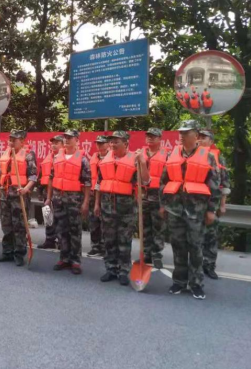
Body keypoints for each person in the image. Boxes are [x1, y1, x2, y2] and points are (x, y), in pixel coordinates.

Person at [159, 120, 221, 300]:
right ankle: (179, 281)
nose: (182, 136)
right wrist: (163, 204)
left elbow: (215, 185)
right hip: (175, 209)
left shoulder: (207, 156)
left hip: (197, 210)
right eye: (181, 132)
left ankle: (196, 283)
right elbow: (164, 182)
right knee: (178, 246)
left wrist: (211, 210)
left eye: (186, 132)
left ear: (196, 135)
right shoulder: (173, 154)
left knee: (195, 247)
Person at [94, 131, 149, 286]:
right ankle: (110, 269)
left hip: (126, 208)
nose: (112, 144)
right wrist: (97, 204)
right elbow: (98, 183)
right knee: (109, 239)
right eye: (111, 141)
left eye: (116, 141)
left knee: (124, 241)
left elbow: (146, 181)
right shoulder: (105, 159)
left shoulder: (135, 159)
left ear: (125, 143)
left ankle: (124, 270)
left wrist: (143, 163)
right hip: (106, 206)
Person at [45, 129, 91, 275]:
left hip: (74, 201)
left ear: (77, 140)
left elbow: (88, 183)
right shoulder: (57, 157)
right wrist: (48, 197)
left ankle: (75, 261)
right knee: (61, 230)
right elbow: (51, 179)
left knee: (75, 231)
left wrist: (85, 203)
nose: (67, 140)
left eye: (70, 138)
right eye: (65, 137)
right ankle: (64, 258)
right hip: (58, 199)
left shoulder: (83, 159)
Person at [0, 129, 38, 266]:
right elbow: (1, 175)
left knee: (19, 226)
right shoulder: (6, 153)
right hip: (5, 194)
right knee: (6, 225)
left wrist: (26, 189)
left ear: (22, 141)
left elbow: (33, 176)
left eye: (14, 140)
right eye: (10, 139)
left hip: (19, 195)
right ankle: (7, 252)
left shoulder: (28, 155)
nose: (11, 142)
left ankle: (19, 253)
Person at [199, 129, 230, 279]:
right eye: (199, 137)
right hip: (195, 204)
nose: (200, 140)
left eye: (204, 138)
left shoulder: (218, 158)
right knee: (195, 237)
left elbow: (224, 183)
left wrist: (222, 204)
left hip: (212, 203)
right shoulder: (193, 155)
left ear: (211, 141)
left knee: (211, 237)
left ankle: (209, 265)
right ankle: (196, 265)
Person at [141, 128, 169, 269]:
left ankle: (157, 255)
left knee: (158, 227)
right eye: (148, 136)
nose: (150, 139)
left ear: (160, 139)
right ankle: (146, 254)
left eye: (153, 137)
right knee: (144, 226)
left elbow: (170, 178)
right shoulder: (140, 154)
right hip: (143, 194)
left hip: (158, 195)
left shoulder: (167, 155)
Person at [38, 134, 64, 249]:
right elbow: (42, 174)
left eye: (56, 143)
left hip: (60, 192)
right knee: (48, 216)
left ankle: (61, 240)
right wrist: (40, 191)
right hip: (46, 192)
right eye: (52, 143)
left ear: (63, 145)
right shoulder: (49, 157)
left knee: (60, 217)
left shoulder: (64, 158)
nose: (53, 145)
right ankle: (49, 239)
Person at [87, 135, 109, 257]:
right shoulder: (93, 158)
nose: (100, 145)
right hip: (93, 193)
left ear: (108, 144)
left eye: (102, 143)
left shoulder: (112, 158)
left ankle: (106, 247)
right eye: (98, 143)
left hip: (106, 194)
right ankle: (96, 247)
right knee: (93, 221)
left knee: (106, 222)